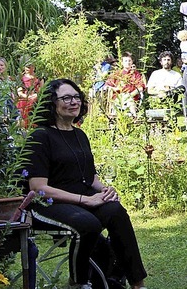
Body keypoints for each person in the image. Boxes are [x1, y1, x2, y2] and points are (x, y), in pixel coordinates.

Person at [24, 79, 148, 289]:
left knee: (116, 211)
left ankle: (137, 282)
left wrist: (105, 190)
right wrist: (86, 200)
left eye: (76, 97)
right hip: (48, 204)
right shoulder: (40, 137)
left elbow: (90, 178)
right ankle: (79, 282)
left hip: (82, 198)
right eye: (66, 98)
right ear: (51, 103)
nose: (74, 102)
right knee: (88, 224)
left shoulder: (79, 135)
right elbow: (38, 189)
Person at [0, 57, 17, 122]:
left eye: (2, 65)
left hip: (8, 105)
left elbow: (12, 92)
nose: (0, 67)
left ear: (5, 66)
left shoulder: (9, 79)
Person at [16, 62, 44, 127]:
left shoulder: (39, 78)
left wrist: (36, 95)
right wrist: (28, 97)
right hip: (24, 101)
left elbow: (42, 90)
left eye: (30, 67)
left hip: (36, 101)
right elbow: (19, 92)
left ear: (34, 67)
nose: (28, 68)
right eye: (26, 67)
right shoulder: (21, 78)